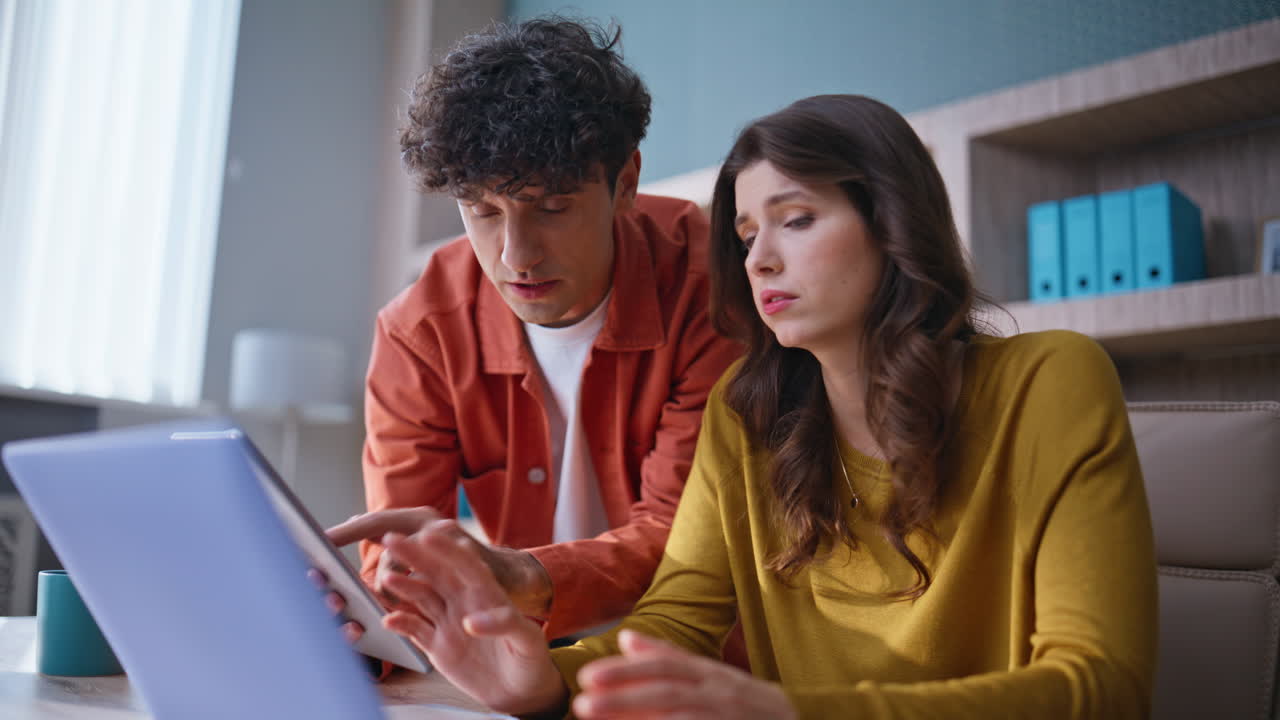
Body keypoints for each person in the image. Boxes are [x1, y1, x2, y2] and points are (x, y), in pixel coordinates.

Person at [367, 94, 1159, 719]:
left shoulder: (1050, 380)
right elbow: (673, 628)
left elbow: (1100, 689)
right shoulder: (744, 419)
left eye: (798, 220)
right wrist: (540, 683)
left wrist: (784, 713)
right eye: (746, 235)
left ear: (893, 223)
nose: (761, 259)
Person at [324, 17, 741, 646]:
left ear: (625, 183)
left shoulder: (713, 293)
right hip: (522, 651)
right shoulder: (420, 333)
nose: (516, 255)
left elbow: (689, 540)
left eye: (553, 208)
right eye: (483, 211)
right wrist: (363, 620)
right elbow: (401, 560)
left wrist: (516, 572)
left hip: (694, 648)